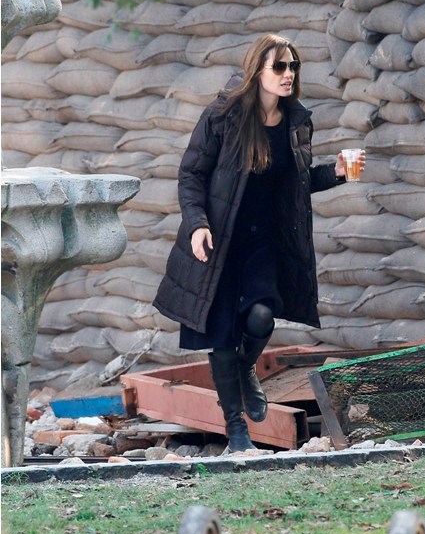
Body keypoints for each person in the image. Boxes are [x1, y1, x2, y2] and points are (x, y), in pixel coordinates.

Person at [153, 34, 365, 453]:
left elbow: (297, 184)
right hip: (218, 241)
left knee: (262, 316)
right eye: (280, 67)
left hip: (263, 242)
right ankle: (237, 433)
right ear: (257, 72)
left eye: (293, 67)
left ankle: (246, 365)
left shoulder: (295, 122)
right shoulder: (222, 116)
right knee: (220, 337)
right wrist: (196, 225)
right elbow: (191, 174)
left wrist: (338, 172)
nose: (289, 75)